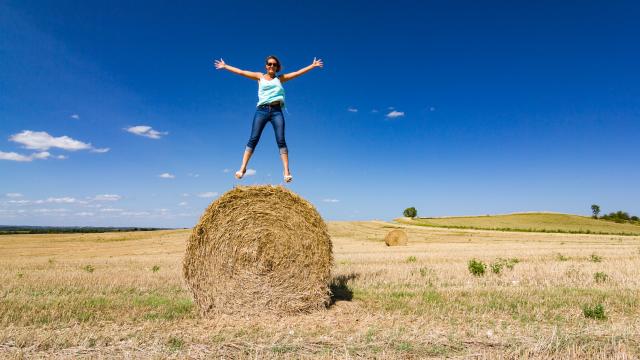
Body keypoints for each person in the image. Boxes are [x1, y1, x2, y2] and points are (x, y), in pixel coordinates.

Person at [214, 55, 323, 182]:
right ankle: (243, 168)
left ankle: (286, 171)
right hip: (261, 111)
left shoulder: (280, 79)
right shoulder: (259, 76)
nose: (272, 66)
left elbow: (297, 73)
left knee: (281, 140)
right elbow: (241, 72)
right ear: (266, 66)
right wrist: (225, 66)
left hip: (277, 111)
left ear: (277, 68)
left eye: (274, 64)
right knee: (253, 138)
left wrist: (312, 65)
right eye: (270, 64)